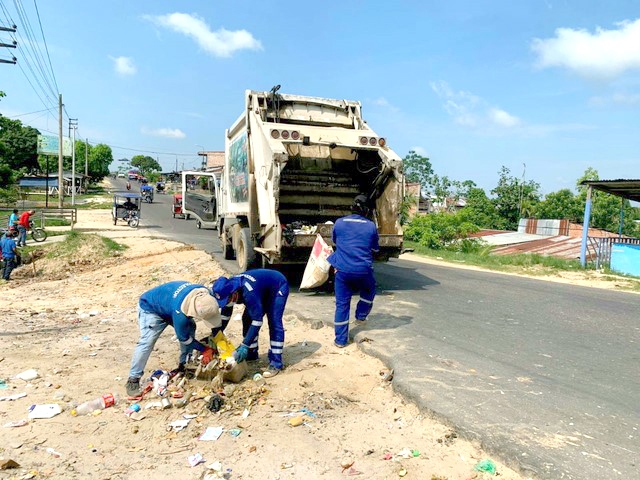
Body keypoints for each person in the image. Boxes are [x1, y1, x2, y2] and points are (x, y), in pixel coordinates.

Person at [125, 281, 221, 397]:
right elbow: (184, 338)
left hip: (169, 304)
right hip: (151, 308)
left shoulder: (206, 296)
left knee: (190, 326)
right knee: (147, 342)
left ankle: (184, 365)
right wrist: (204, 349)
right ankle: (133, 379)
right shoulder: (180, 314)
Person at [211, 269, 289, 378]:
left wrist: (244, 345)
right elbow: (225, 316)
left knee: (274, 321)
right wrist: (215, 335)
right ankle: (252, 353)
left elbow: (257, 321)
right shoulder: (228, 289)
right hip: (260, 289)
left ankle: (276, 362)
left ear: (234, 294)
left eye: (226, 301)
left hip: (277, 287)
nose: (225, 304)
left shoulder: (248, 292)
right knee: (247, 319)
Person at [328, 194, 379, 348]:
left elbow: (335, 241)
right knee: (369, 290)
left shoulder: (339, 223)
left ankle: (340, 340)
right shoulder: (371, 226)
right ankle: (361, 315)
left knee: (342, 305)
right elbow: (375, 248)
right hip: (363, 271)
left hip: (342, 271)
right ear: (367, 210)